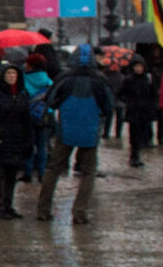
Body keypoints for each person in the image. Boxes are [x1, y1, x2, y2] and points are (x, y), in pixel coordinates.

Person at [37, 44, 114, 224]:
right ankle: (80, 212)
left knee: (54, 169)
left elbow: (51, 101)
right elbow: (109, 106)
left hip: (66, 131)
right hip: (90, 131)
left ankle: (43, 209)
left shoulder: (64, 78)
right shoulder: (100, 80)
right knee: (88, 172)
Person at [0, 64, 33, 219]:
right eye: (8, 74)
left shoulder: (22, 95)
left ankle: (8, 205)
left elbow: (27, 120)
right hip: (0, 138)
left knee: (12, 173)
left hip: (17, 139)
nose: (11, 77)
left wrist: (28, 140)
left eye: (14, 74)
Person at [118, 54, 158, 167]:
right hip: (133, 111)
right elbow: (120, 93)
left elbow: (154, 94)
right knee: (134, 134)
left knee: (142, 134)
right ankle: (134, 155)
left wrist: (152, 106)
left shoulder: (148, 79)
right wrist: (128, 101)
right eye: (137, 66)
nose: (139, 69)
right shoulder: (128, 79)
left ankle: (137, 154)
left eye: (141, 66)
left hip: (145, 111)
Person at [21, 53, 54, 183]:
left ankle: (27, 173)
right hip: (44, 116)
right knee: (42, 146)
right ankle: (41, 173)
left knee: (28, 145)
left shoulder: (23, 80)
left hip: (28, 116)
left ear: (31, 65)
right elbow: (52, 99)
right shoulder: (48, 80)